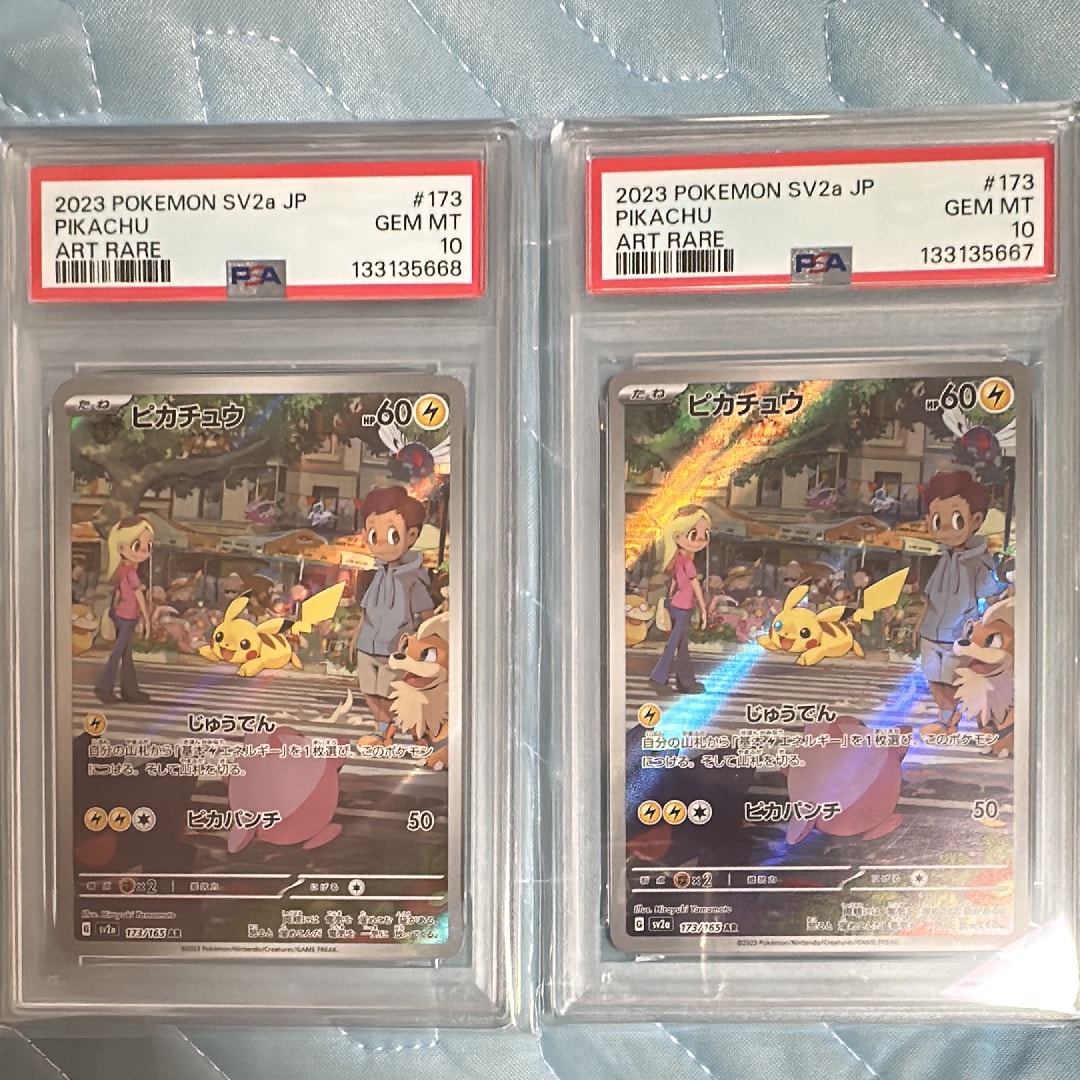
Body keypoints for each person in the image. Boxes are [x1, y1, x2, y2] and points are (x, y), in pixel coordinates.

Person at [916, 471, 1008, 735]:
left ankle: (973, 720)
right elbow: (930, 596)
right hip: (931, 631)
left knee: (955, 678)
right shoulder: (941, 559)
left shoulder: (979, 561)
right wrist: (920, 623)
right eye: (937, 520)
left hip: (959, 633)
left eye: (956, 519)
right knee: (933, 676)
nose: (945, 528)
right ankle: (946, 719)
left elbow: (991, 595)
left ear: (976, 520)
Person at [350, 486, 436, 743]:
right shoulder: (376, 574)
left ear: (411, 535)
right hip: (367, 643)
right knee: (369, 689)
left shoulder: (412, 578)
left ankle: (402, 729)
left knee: (390, 692)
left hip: (395, 647)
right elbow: (366, 611)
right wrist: (355, 638)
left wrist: (426, 645)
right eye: (373, 535)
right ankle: (382, 729)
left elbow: (427, 614)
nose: (382, 544)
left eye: (391, 534)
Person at [648, 505, 711, 695]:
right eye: (694, 534)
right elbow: (695, 587)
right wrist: (704, 610)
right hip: (684, 607)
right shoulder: (688, 563)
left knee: (682, 645)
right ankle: (658, 677)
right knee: (674, 643)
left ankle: (686, 682)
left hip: (676, 604)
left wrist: (670, 595)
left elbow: (675, 581)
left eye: (706, 534)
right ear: (677, 536)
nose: (701, 539)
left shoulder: (677, 560)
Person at [94, 515, 154, 704]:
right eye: (137, 545)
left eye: (147, 546)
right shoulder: (131, 573)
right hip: (128, 616)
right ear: (121, 547)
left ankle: (130, 690)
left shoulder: (121, 570)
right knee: (119, 652)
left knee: (126, 655)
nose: (144, 551)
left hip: (122, 614)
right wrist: (147, 620)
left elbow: (119, 594)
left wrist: (113, 610)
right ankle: (104, 687)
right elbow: (138, 597)